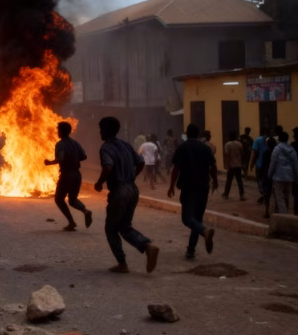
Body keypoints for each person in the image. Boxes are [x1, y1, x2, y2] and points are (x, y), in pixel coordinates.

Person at [93, 117, 160, 274]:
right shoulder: (126, 145)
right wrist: (131, 177)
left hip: (119, 190)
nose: (99, 132)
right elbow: (141, 162)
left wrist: (99, 183)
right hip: (132, 189)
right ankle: (148, 246)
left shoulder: (106, 148)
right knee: (124, 226)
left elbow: (108, 167)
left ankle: (122, 263)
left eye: (101, 129)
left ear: (106, 131)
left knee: (111, 229)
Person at [168, 124, 219, 260]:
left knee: (187, 218)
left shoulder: (182, 148)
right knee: (197, 218)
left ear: (186, 133)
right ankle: (191, 250)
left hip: (189, 187)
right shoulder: (205, 148)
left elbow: (176, 169)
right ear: (198, 133)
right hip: (203, 187)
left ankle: (204, 231)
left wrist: (171, 186)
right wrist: (215, 181)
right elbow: (213, 166)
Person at [44, 121, 93, 231]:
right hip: (76, 174)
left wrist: (49, 162)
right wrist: (74, 159)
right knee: (73, 200)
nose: (57, 132)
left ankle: (71, 222)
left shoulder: (60, 144)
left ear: (61, 131)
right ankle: (86, 211)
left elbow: (60, 158)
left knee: (59, 199)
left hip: (66, 175)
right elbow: (84, 156)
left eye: (58, 130)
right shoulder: (75, 143)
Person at [269, 131, 298, 215]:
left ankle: (283, 215)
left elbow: (273, 163)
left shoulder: (276, 149)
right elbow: (295, 165)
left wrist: (270, 174)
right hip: (289, 177)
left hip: (278, 176)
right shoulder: (292, 149)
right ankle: (286, 214)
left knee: (279, 197)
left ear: (279, 139)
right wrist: (297, 176)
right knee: (286, 196)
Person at [222, 130, 245, 201]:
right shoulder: (239, 144)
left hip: (231, 165)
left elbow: (227, 156)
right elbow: (242, 154)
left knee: (229, 180)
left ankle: (226, 194)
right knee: (239, 181)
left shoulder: (227, 144)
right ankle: (241, 195)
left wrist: (226, 165)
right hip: (238, 165)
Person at [251, 128, 269, 203]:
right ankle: (266, 193)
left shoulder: (258, 140)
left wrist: (252, 164)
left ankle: (263, 193)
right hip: (268, 164)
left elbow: (255, 153)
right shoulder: (271, 140)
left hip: (260, 164)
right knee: (266, 180)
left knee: (259, 179)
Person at [262, 138, 277, 219]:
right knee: (276, 194)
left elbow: (263, 166)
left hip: (267, 176)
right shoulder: (276, 153)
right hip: (276, 176)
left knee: (267, 195)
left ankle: (267, 211)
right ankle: (276, 210)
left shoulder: (266, 153)